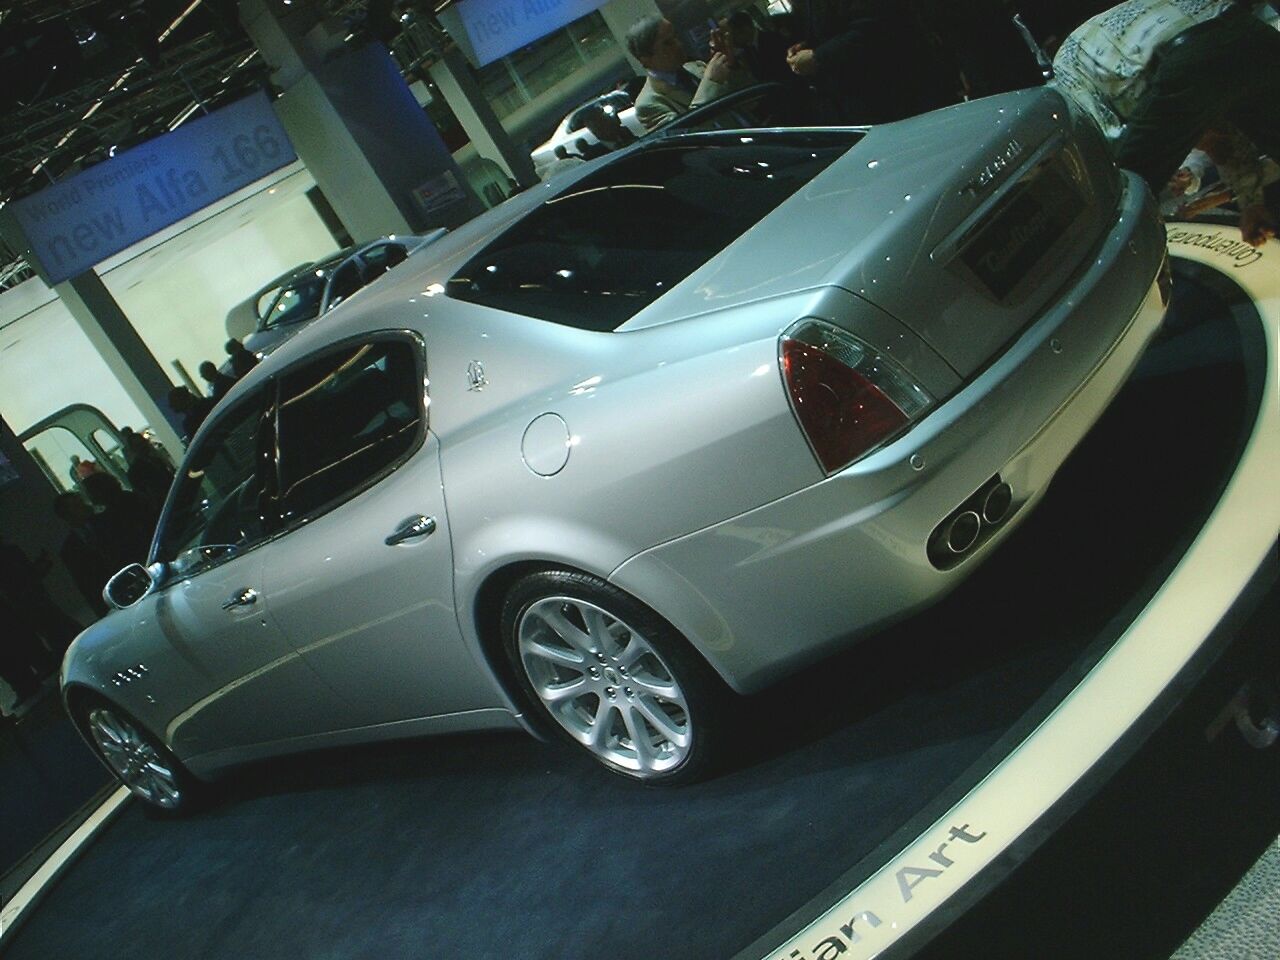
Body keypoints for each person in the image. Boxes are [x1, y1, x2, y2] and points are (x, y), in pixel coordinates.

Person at [1053, 0, 1280, 245]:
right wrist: (1251, 203)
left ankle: (1147, 271)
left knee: (1128, 192)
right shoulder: (1132, 12)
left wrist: (1189, 135)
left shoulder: (1067, 66)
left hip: (1189, 57)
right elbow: (1223, 135)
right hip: (1252, 34)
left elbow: (1114, 143)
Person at [785, 0, 957, 124]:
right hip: (857, 103)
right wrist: (806, 47)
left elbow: (877, 27)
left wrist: (818, 56)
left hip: (899, 93)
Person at [626, 15, 749, 132]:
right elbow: (686, 136)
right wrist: (711, 82)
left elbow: (748, 98)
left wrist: (730, 63)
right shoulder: (648, 103)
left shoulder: (696, 67)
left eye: (675, 36)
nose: (679, 44)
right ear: (646, 59)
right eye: (668, 43)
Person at [52, 491, 115, 617]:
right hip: (109, 596)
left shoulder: (108, 522)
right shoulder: (69, 550)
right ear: (66, 515)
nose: (85, 507)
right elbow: (86, 585)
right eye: (76, 507)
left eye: (82, 503)